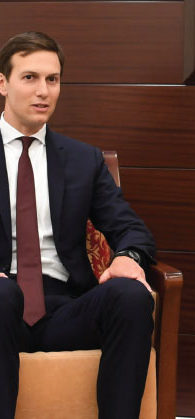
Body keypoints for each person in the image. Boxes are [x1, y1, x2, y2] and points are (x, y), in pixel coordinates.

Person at [0, 32, 155, 419]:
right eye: (30, 77)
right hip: (1, 301)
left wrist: (128, 256)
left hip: (64, 307)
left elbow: (130, 228)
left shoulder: (83, 160)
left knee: (131, 296)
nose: (43, 91)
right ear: (2, 83)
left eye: (52, 79)